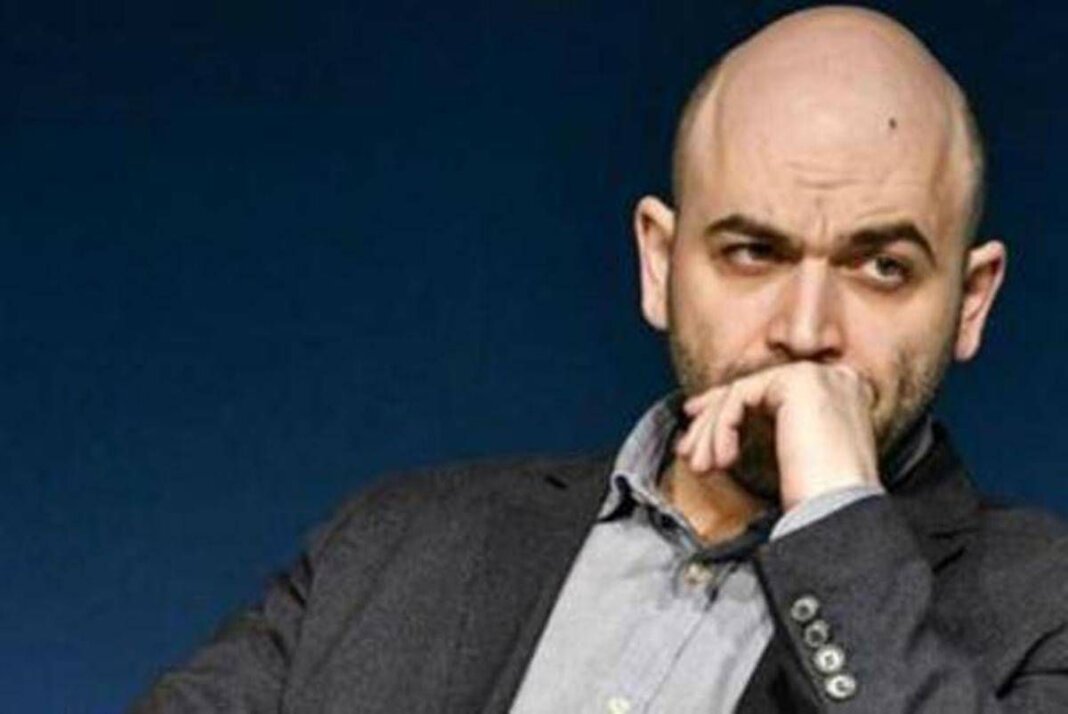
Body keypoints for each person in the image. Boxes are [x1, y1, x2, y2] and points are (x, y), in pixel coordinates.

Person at [132, 6, 1068, 713]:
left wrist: (835, 528)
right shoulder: (393, 542)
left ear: (970, 300)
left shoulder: (1046, 611)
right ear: (659, 263)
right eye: (753, 252)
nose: (805, 327)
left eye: (882, 267)